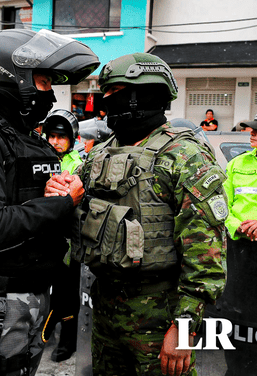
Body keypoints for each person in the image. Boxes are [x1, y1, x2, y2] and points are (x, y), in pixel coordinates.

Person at [58, 52, 227, 376]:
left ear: (141, 96)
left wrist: (183, 328)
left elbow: (206, 256)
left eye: (113, 93)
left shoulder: (184, 156)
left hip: (160, 317)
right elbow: (77, 200)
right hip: (106, 313)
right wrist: (63, 188)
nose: (105, 101)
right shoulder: (102, 153)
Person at [0, 28, 99, 375]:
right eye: (44, 82)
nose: (50, 94)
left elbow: (29, 205)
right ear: (16, 78)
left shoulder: (28, 139)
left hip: (31, 293)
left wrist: (60, 189)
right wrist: (62, 203)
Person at [40, 109, 82, 362]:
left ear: (72, 139)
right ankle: (46, 335)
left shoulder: (78, 165)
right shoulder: (38, 158)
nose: (54, 141)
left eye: (61, 136)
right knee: (45, 292)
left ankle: (68, 341)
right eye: (51, 136)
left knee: (67, 294)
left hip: (68, 243)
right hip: (42, 239)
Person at [218, 115, 257, 376]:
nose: (252, 134)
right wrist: (237, 225)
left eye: (256, 131)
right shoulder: (237, 164)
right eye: (252, 130)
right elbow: (223, 205)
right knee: (236, 317)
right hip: (238, 250)